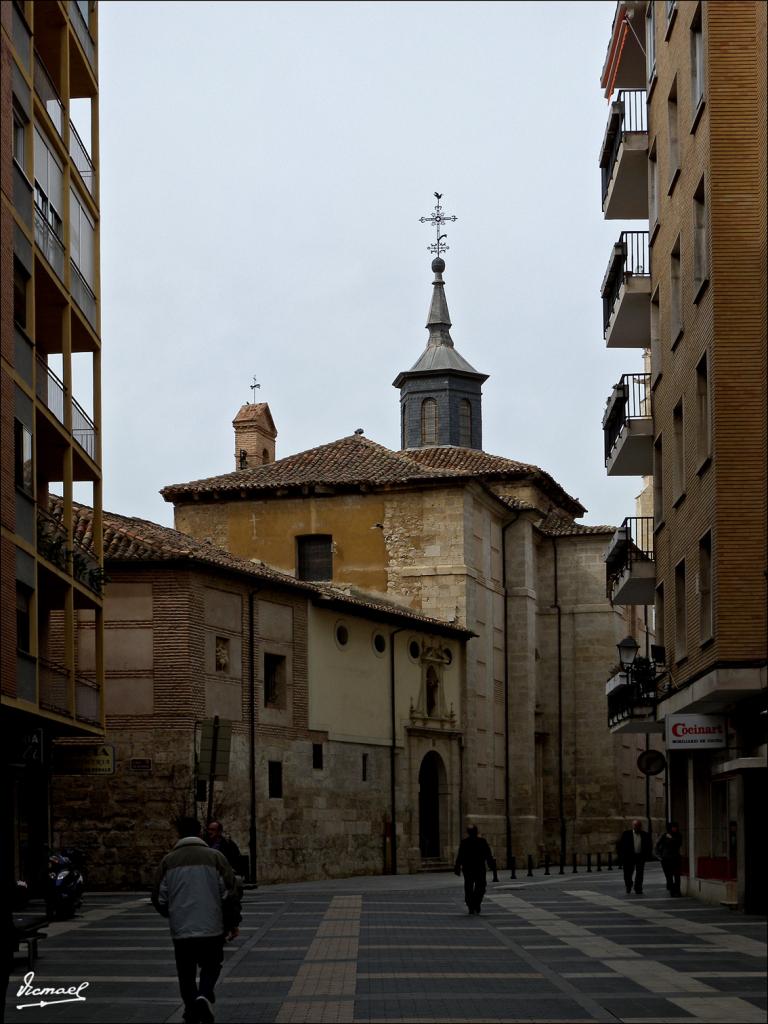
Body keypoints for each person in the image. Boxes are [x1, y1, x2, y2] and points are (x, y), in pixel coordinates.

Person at [152, 816, 241, 1024]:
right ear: (200, 832)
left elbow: (158, 897)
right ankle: (203, 995)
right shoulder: (215, 857)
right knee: (212, 965)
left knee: (186, 972)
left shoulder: (168, 861)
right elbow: (230, 892)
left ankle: (192, 1007)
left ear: (179, 834)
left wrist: (173, 913)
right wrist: (232, 922)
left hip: (181, 929)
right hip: (211, 926)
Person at [454, 825, 498, 914]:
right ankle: (474, 903)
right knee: (478, 887)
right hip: (476, 868)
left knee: (472, 887)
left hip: (472, 868)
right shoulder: (479, 842)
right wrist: (492, 865)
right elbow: (488, 855)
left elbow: (460, 856)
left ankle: (472, 904)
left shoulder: (468, 842)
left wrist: (457, 866)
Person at [617, 819, 653, 895]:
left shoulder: (645, 835)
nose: (637, 827)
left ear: (641, 826)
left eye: (639, 826)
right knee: (628, 873)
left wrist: (647, 855)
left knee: (640, 873)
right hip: (629, 857)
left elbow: (649, 845)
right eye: (635, 825)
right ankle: (629, 885)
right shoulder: (626, 834)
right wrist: (621, 856)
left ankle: (638, 888)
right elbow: (620, 845)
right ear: (633, 826)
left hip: (640, 856)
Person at [655, 821, 683, 896]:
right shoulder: (664, 835)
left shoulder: (678, 836)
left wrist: (671, 838)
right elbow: (657, 845)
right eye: (673, 827)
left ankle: (678, 891)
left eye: (675, 827)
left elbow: (679, 843)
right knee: (669, 876)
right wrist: (659, 856)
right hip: (666, 858)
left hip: (675, 858)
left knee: (677, 876)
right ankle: (672, 891)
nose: (674, 829)